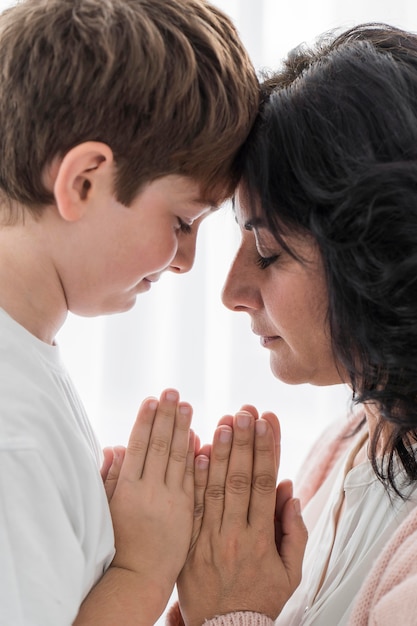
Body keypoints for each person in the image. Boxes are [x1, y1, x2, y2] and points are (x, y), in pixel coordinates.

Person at [0, 0, 260, 624]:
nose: (186, 263)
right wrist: (144, 563)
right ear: (84, 181)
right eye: (181, 223)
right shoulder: (12, 429)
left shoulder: (27, 366)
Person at [168, 22, 417, 626]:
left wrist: (234, 612)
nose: (231, 292)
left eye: (270, 251)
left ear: (374, 249)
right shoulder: (348, 446)